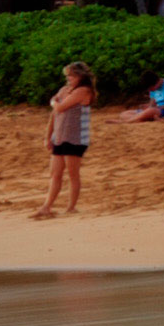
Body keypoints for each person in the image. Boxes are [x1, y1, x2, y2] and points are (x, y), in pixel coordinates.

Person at [42, 60, 98, 219]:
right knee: (55, 173)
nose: (68, 79)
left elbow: (60, 107)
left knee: (73, 174)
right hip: (60, 136)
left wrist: (53, 101)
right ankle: (47, 206)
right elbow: (54, 115)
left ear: (80, 76)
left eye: (71, 76)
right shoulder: (65, 90)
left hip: (75, 138)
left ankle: (71, 207)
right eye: (67, 76)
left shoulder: (84, 91)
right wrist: (48, 137)